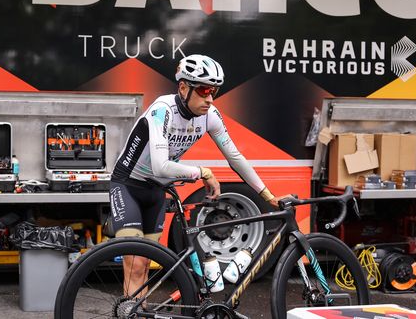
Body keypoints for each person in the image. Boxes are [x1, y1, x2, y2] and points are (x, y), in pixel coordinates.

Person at [109, 54, 290, 296]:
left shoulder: (209, 116)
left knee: (144, 267)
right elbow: (161, 166)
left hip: (155, 192)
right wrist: (203, 173)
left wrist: (268, 196)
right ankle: (130, 311)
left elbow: (235, 157)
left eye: (214, 91)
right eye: (204, 90)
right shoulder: (162, 111)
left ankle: (138, 312)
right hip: (127, 186)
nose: (210, 98)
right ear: (183, 88)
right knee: (134, 265)